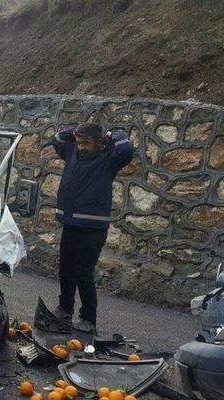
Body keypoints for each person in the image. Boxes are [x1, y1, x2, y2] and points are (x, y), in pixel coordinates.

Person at [50, 123, 134, 333]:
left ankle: (88, 320)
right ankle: (64, 310)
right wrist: (77, 131)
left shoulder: (109, 159)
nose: (81, 147)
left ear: (99, 142)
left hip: (93, 227)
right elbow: (57, 138)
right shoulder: (72, 151)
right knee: (66, 270)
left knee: (83, 273)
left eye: (86, 143)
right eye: (78, 142)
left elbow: (126, 148)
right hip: (70, 222)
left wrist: (112, 133)